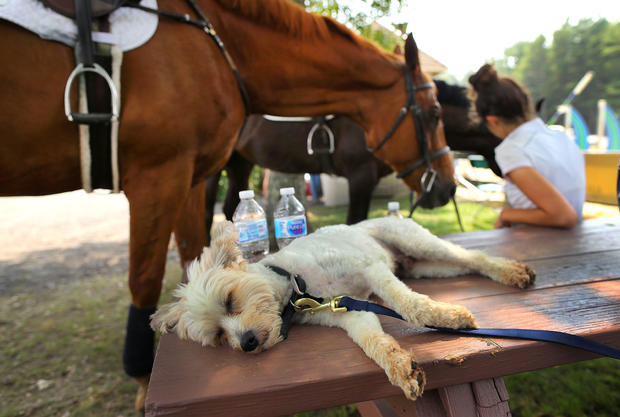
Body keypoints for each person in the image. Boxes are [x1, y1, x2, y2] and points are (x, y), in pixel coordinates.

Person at [469, 64, 585, 229]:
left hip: (540, 246)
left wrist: (507, 214)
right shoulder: (562, 138)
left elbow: (564, 216)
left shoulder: (512, 149)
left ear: (493, 120)